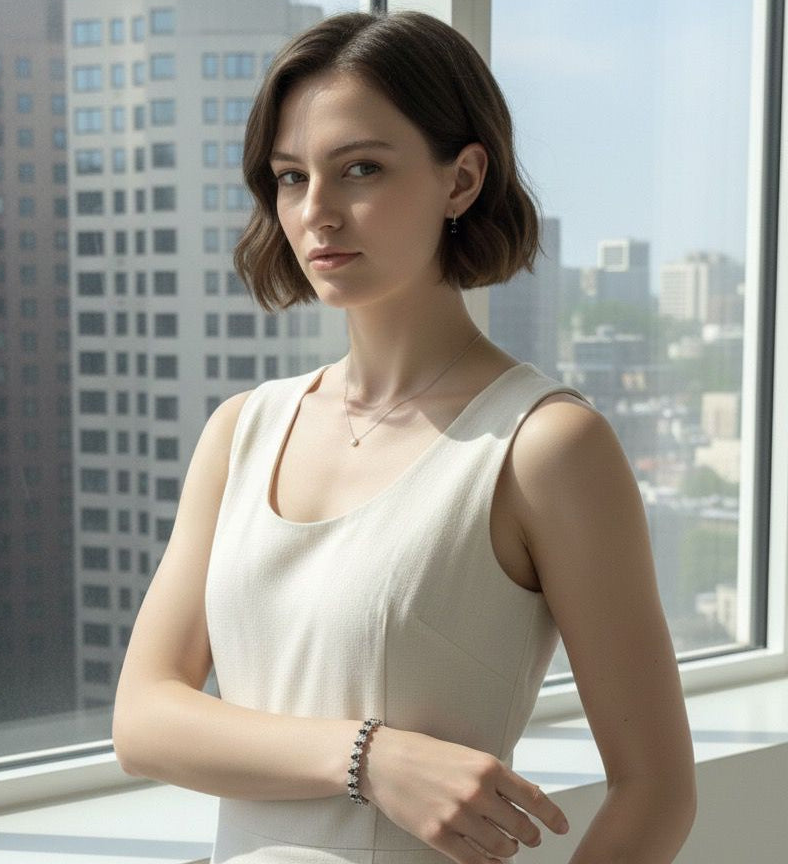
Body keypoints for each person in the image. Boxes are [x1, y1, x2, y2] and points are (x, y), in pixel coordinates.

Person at [112, 10, 697, 863]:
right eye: (288, 177)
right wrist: (371, 759)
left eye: (360, 169)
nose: (316, 213)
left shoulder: (545, 447)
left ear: (461, 180)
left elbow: (656, 792)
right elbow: (143, 721)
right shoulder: (241, 430)